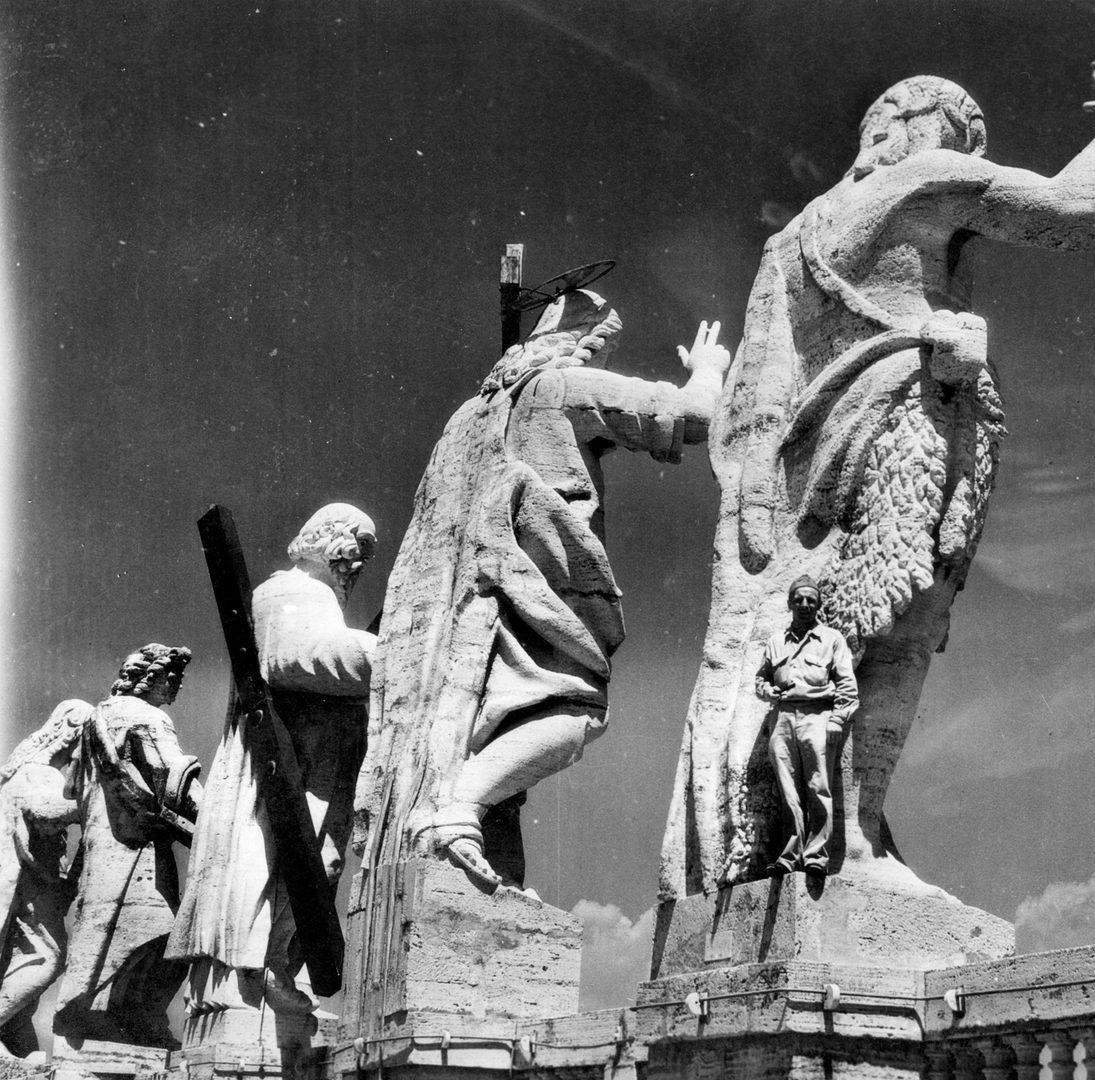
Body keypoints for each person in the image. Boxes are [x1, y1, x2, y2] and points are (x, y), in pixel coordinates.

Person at [661, 51, 1095, 896]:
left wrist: (755, 504)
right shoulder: (926, 178)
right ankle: (851, 834)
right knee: (902, 623)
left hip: (817, 450)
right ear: (924, 126)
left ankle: (817, 829)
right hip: (911, 411)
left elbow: (759, 393)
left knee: (840, 627)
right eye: (962, 133)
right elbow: (1076, 209)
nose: (967, 154)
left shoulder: (791, 239)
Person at [353, 289, 731, 892]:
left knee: (486, 725)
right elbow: (692, 417)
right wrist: (708, 371)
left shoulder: (468, 416)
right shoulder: (560, 385)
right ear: (586, 343)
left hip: (463, 594)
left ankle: (460, 825)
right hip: (535, 583)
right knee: (576, 709)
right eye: (604, 349)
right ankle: (455, 810)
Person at [168, 505, 377, 1015]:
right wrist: (391, 656)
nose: (358, 564)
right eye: (356, 547)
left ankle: (278, 968)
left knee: (316, 865)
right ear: (326, 538)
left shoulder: (317, 596)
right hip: (278, 763)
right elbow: (294, 655)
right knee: (270, 857)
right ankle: (256, 972)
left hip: (313, 762)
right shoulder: (288, 591)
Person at [54, 645, 203, 1049]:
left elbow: (71, 788)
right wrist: (214, 819)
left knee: (115, 926)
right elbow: (171, 774)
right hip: (138, 847)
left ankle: (109, 1017)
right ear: (148, 678)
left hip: (101, 845)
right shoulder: (148, 716)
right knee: (167, 931)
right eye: (171, 677)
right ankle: (122, 1018)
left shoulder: (95, 718)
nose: (176, 685)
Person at [0, 700, 86, 1059]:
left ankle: (14, 1036)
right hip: (28, 884)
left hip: (32, 883)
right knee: (48, 956)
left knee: (24, 957)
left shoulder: (30, 770)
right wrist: (93, 801)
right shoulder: (40, 772)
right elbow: (44, 813)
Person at [755, 577, 858, 876]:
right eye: (798, 599)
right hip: (782, 717)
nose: (804, 605)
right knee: (788, 790)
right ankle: (789, 857)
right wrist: (767, 691)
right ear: (790, 603)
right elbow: (760, 678)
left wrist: (838, 719)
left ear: (818, 605)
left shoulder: (831, 639)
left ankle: (815, 857)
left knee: (818, 786)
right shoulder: (776, 642)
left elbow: (847, 685)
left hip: (817, 715)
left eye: (811, 600)